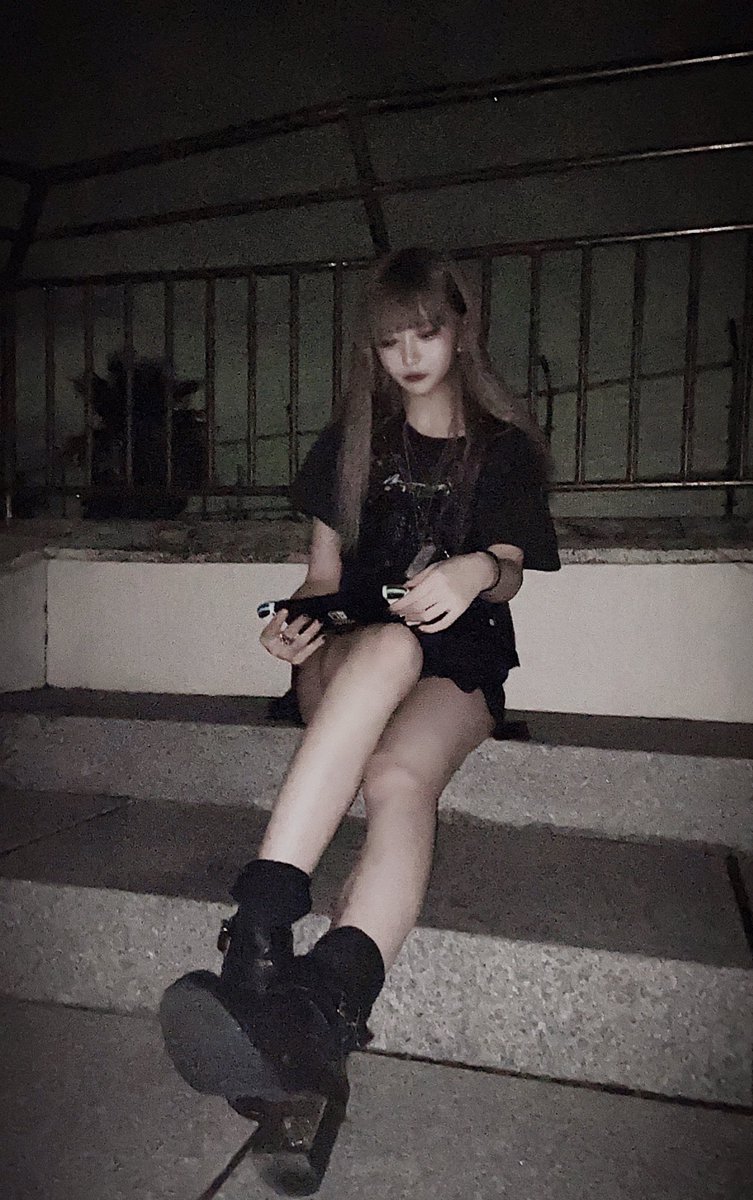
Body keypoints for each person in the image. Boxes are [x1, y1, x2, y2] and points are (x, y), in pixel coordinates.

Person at [160, 247, 560, 1187]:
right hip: (352, 651)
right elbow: (321, 579)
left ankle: (314, 1013)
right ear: (371, 351)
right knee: (385, 650)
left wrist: (476, 569)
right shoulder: (350, 444)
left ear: (460, 331)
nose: (409, 355)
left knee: (397, 778)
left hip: (460, 658)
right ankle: (262, 926)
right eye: (389, 341)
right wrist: (290, 625)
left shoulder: (502, 449)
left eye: (426, 332)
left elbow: (508, 571)